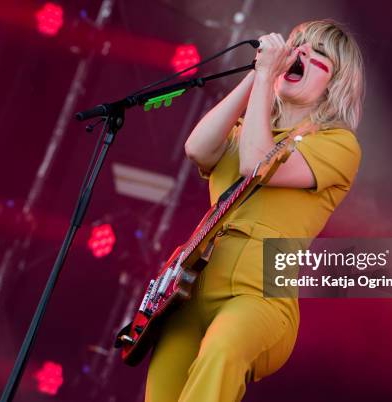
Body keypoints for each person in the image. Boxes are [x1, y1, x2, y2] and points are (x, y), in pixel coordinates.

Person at [145, 19, 365, 402]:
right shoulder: (246, 129)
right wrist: (257, 75)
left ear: (336, 83)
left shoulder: (338, 144)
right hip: (193, 283)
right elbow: (197, 149)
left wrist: (267, 78)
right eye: (296, 46)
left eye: (318, 54)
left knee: (222, 352)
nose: (300, 54)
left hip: (263, 288)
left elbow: (257, 166)